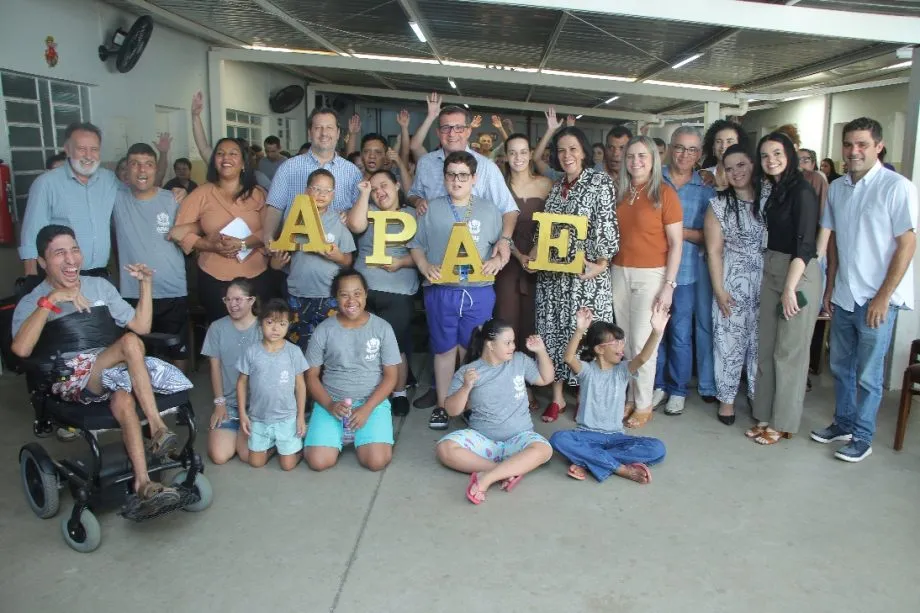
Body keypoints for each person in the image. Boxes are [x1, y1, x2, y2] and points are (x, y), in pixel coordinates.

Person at [11, 225, 181, 512]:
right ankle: (157, 427)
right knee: (129, 342)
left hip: (108, 373)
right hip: (69, 377)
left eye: (74, 250)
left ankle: (143, 484)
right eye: (59, 253)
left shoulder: (99, 287)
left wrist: (145, 286)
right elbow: (21, 350)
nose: (70, 259)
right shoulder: (32, 300)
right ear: (42, 262)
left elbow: (142, 326)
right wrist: (50, 301)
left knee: (124, 397)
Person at [811, 117, 917, 462]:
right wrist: (829, 288)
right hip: (844, 295)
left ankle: (862, 437)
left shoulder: (896, 187)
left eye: (862, 145)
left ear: (878, 147)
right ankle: (842, 423)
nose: (853, 151)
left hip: (877, 301)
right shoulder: (839, 188)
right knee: (841, 367)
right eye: (848, 144)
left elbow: (907, 244)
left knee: (868, 376)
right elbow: (835, 243)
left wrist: (883, 296)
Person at [408, 151, 504, 430]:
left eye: (463, 175)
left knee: (472, 350)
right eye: (451, 174)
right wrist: (424, 266)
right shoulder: (431, 209)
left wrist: (497, 261)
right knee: (444, 349)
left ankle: (469, 405)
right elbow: (416, 244)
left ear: (474, 178)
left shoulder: (489, 210)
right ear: (444, 177)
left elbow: (502, 247)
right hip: (442, 289)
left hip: (479, 290)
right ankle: (441, 405)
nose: (457, 180)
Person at [535, 126, 619, 423]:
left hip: (585, 278)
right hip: (554, 278)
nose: (567, 155)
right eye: (561, 150)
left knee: (584, 335)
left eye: (572, 149)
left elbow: (607, 225)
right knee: (555, 333)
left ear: (583, 151)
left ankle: (586, 397)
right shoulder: (556, 187)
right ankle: (557, 398)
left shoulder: (599, 182)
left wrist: (602, 261)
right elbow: (546, 230)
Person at [746, 132, 820, 445]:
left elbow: (805, 245)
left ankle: (783, 421)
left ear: (789, 154)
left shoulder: (802, 191)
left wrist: (790, 288)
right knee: (766, 349)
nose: (771, 160)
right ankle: (764, 414)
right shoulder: (773, 188)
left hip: (797, 274)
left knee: (788, 353)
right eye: (765, 155)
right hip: (773, 268)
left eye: (777, 153)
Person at [436, 319, 555, 505]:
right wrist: (466, 387)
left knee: (544, 449)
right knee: (445, 448)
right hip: (483, 441)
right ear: (490, 345)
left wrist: (540, 350)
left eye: (513, 341)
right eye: (507, 342)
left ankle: (487, 478)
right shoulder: (468, 371)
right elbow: (452, 410)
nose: (513, 346)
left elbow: (545, 378)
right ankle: (504, 470)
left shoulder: (520, 361)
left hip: (520, 438)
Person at [550, 305, 669, 483]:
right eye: (616, 343)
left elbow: (643, 358)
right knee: (558, 439)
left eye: (622, 342)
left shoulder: (622, 370)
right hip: (586, 435)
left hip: (616, 438)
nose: (622, 347)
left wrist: (656, 332)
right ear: (599, 349)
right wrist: (580, 329)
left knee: (657, 449)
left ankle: (589, 460)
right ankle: (620, 468)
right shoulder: (587, 371)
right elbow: (568, 358)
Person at [611, 136, 682, 428]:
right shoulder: (621, 191)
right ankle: (629, 397)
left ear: (653, 160)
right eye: (631, 156)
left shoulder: (664, 194)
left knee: (643, 341)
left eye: (642, 156)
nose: (636, 162)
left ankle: (643, 404)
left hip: (651, 274)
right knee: (625, 342)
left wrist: (669, 285)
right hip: (618, 271)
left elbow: (677, 244)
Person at [304, 269, 400, 472]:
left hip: (370, 402)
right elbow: (311, 375)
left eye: (357, 293)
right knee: (318, 462)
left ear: (366, 294)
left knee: (376, 462)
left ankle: (357, 432)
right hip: (332, 401)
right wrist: (329, 405)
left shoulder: (382, 328)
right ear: (335, 297)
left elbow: (391, 376)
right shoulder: (324, 329)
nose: (351, 300)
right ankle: (339, 431)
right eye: (344, 294)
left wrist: (367, 408)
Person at [170, 137, 270, 324]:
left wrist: (243, 243)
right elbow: (179, 232)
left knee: (255, 332)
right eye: (220, 153)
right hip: (213, 278)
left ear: (243, 163)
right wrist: (209, 245)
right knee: (220, 332)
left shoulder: (258, 194)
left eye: (233, 153)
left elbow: (269, 232)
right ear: (214, 162)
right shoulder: (201, 193)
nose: (226, 158)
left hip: (254, 275)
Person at [406, 101, 519, 266]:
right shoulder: (426, 163)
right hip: (434, 263)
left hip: (476, 265)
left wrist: (505, 239)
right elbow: (412, 194)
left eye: (458, 127)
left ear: (468, 131)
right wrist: (417, 201)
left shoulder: (486, 167)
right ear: (438, 132)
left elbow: (509, 210)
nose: (452, 133)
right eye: (446, 128)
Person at [654, 127, 718, 415]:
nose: (684, 154)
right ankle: (657, 385)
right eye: (679, 147)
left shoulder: (706, 190)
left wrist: (676, 231)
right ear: (669, 148)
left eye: (692, 150)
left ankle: (678, 389)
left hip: (687, 273)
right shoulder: (653, 180)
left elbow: (711, 236)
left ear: (699, 155)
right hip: (653, 269)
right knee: (654, 332)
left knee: (680, 334)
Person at [347, 170, 419, 416]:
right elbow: (355, 225)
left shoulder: (411, 215)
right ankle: (368, 391)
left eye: (384, 185)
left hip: (398, 289)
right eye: (374, 188)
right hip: (363, 291)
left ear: (397, 185)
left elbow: (426, 252)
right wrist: (364, 194)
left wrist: (402, 263)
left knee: (394, 346)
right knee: (362, 345)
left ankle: (398, 393)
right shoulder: (368, 210)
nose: (380, 192)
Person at [113, 143, 190, 371]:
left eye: (148, 164)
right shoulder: (116, 199)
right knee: (136, 350)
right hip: (132, 291)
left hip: (172, 289)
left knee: (177, 350)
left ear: (157, 169)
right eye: (135, 164)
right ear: (126, 169)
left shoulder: (173, 199)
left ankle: (179, 398)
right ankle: (141, 398)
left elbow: (197, 226)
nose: (141, 170)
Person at [703, 144, 765, 425]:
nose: (736, 172)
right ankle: (726, 399)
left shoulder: (770, 199)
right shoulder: (719, 204)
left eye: (741, 165)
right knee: (728, 340)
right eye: (729, 168)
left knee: (760, 343)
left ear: (752, 164)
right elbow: (714, 250)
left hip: (767, 280)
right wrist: (718, 288)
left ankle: (756, 395)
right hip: (732, 281)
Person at [494, 133, 553, 412]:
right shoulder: (499, 186)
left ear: (531, 154)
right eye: (512, 153)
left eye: (523, 152)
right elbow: (498, 228)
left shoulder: (546, 184)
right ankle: (507, 384)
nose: (518, 158)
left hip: (538, 264)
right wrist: (518, 255)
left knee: (532, 324)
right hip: (506, 262)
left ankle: (528, 382)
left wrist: (536, 254)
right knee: (507, 323)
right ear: (505, 156)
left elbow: (553, 226)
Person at [20, 123, 121, 280]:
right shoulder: (46, 183)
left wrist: (172, 193)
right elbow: (31, 236)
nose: (88, 156)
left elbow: (134, 197)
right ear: (67, 149)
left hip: (100, 275)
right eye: (81, 149)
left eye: (94, 149)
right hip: (62, 277)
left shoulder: (109, 180)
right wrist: (31, 280)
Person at [264, 107, 363, 246]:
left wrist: (349, 214)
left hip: (338, 255)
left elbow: (359, 211)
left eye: (329, 127)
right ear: (310, 132)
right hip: (296, 252)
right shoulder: (288, 167)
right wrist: (268, 238)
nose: (324, 133)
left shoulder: (352, 172)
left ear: (338, 133)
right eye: (318, 127)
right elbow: (275, 207)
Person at [281, 168, 355, 352]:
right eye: (316, 189)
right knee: (297, 345)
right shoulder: (294, 221)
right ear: (307, 190)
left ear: (333, 195)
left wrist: (337, 256)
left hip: (327, 293)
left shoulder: (338, 221)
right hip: (298, 293)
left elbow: (348, 260)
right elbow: (281, 257)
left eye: (327, 190)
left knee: (328, 345)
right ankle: (302, 381)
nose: (321, 194)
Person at [237, 299, 308, 471]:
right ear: (260, 323)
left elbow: (300, 386)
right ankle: (275, 447)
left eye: (282, 324)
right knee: (255, 462)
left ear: (288, 325)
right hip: (259, 418)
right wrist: (243, 414)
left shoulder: (293, 352)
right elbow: (241, 383)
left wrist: (300, 417)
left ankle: (295, 450)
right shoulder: (252, 352)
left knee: (288, 465)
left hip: (287, 418)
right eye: (270, 323)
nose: (276, 329)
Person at [202, 278, 261, 464]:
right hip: (228, 403)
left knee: (247, 455)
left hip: (257, 405)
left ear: (251, 301)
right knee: (219, 456)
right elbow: (215, 367)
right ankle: (234, 430)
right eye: (228, 300)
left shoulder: (264, 328)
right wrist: (219, 403)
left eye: (238, 300)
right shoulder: (217, 328)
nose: (232, 305)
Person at [701, 119, 748, 190]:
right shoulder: (701, 177)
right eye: (718, 141)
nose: (723, 146)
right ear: (713, 146)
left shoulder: (748, 177)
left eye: (729, 141)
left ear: (740, 145)